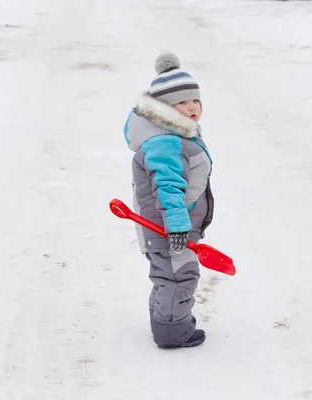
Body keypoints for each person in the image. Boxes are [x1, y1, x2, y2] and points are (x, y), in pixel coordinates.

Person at [123, 52, 214, 349]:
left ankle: (166, 321)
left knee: (167, 276)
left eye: (195, 100)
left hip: (170, 224)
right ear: (164, 108)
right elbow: (168, 187)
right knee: (179, 278)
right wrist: (177, 227)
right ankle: (173, 333)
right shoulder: (166, 142)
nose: (191, 107)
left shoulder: (172, 135)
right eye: (182, 102)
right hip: (170, 227)